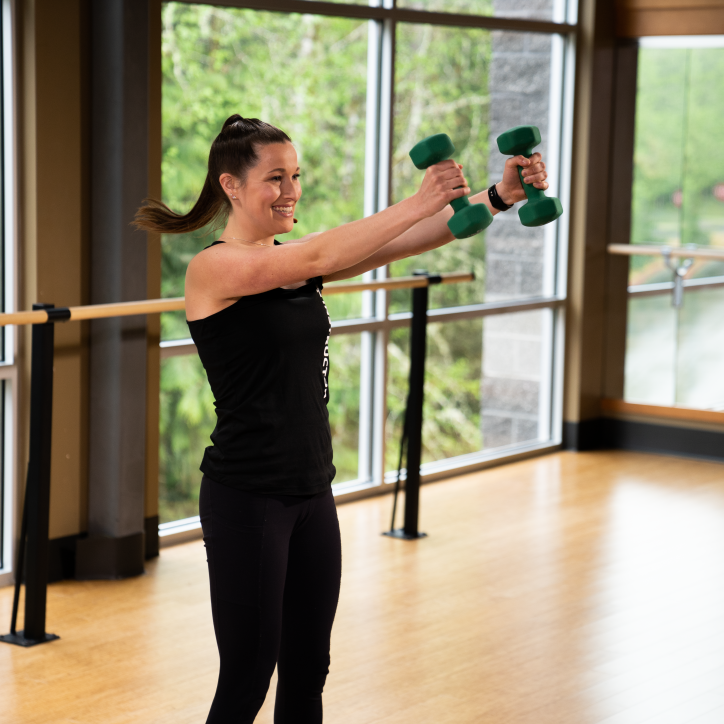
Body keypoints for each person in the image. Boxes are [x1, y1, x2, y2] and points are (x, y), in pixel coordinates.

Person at [134, 115, 549, 724]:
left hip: (311, 491)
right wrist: (418, 198)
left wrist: (499, 196)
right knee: (248, 678)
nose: (290, 190)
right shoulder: (216, 269)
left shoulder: (291, 259)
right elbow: (326, 251)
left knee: (307, 673)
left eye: (295, 175)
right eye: (275, 178)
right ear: (231, 185)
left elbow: (399, 243)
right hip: (248, 497)